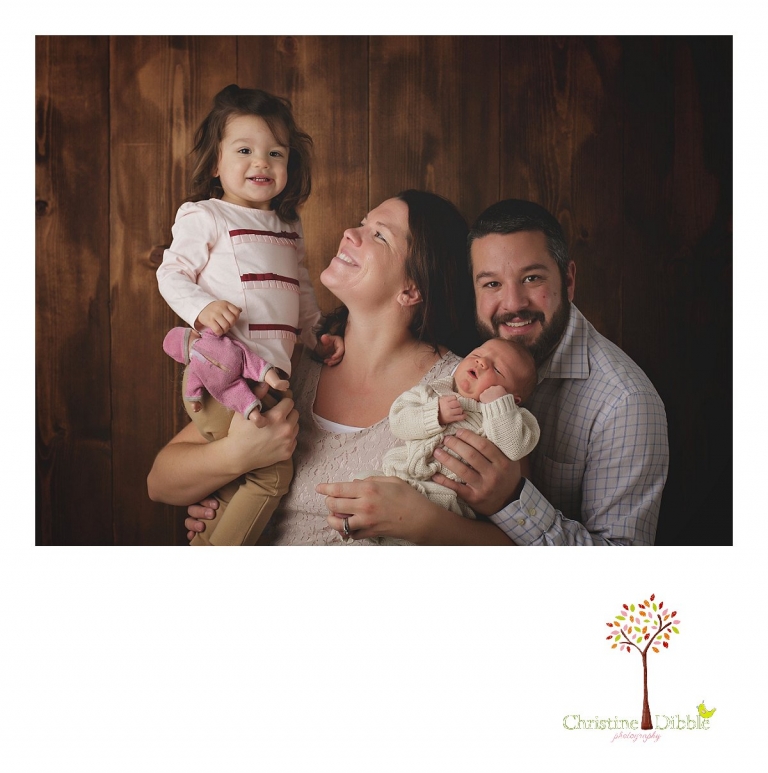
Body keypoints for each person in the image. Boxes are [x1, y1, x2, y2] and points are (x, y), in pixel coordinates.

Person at [148, 190, 516, 545]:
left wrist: (422, 523)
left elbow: (517, 544)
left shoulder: (467, 384)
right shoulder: (291, 361)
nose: (350, 233)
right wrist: (234, 458)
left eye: (378, 235)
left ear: (411, 289)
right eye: (361, 222)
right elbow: (160, 482)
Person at [155, 84, 341, 546]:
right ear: (216, 164)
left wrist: (316, 333)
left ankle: (206, 542)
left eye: (275, 153)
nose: (261, 162)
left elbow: (299, 289)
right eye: (244, 150)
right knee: (270, 479)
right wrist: (201, 309)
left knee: (241, 481)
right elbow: (171, 272)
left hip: (270, 377)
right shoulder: (206, 215)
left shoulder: (287, 226)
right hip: (225, 373)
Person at [429, 199, 670, 545]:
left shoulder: (625, 403)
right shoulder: (470, 344)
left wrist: (512, 500)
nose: (513, 304)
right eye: (492, 284)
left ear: (568, 281)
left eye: (531, 278)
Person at [367, 337, 540, 525]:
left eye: (497, 369)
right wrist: (435, 413)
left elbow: (514, 448)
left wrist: (499, 405)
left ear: (512, 399)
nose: (481, 362)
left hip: (446, 500)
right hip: (399, 473)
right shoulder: (430, 393)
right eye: (477, 354)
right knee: (363, 487)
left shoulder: (510, 418)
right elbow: (399, 421)